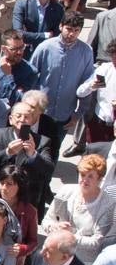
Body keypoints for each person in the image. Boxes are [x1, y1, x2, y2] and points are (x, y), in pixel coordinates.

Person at [29, 11, 95, 162]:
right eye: (69, 29)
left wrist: (78, 114)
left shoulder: (86, 52)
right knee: (33, 148)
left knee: (53, 152)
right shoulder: (45, 47)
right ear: (61, 26)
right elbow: (31, 77)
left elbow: (88, 84)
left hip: (64, 115)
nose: (71, 34)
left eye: (76, 31)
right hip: (40, 112)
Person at [43, 155, 115, 265]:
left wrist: (68, 236)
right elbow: (47, 221)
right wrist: (55, 227)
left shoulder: (108, 204)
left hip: (82, 263)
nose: (84, 180)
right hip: (55, 255)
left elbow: (97, 242)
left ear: (100, 179)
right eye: (82, 174)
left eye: (90, 176)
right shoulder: (65, 191)